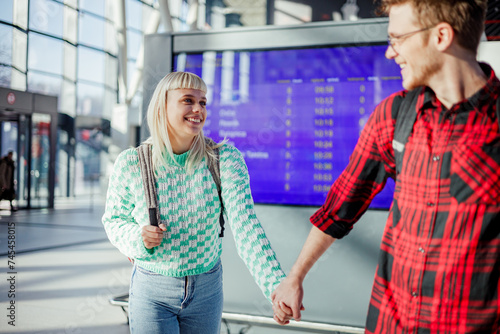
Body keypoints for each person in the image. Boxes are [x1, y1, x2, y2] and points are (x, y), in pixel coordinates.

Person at [272, 0, 500, 333]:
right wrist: (295, 276)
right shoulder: (392, 117)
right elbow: (339, 208)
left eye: (397, 39)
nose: (390, 53)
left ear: (441, 36)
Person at [102, 71, 286, 333]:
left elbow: (247, 227)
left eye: (203, 102)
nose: (198, 109)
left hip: (207, 291)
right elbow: (114, 220)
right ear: (162, 106)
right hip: (152, 290)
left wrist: (275, 285)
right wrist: (138, 238)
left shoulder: (224, 160)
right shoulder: (132, 163)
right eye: (188, 100)